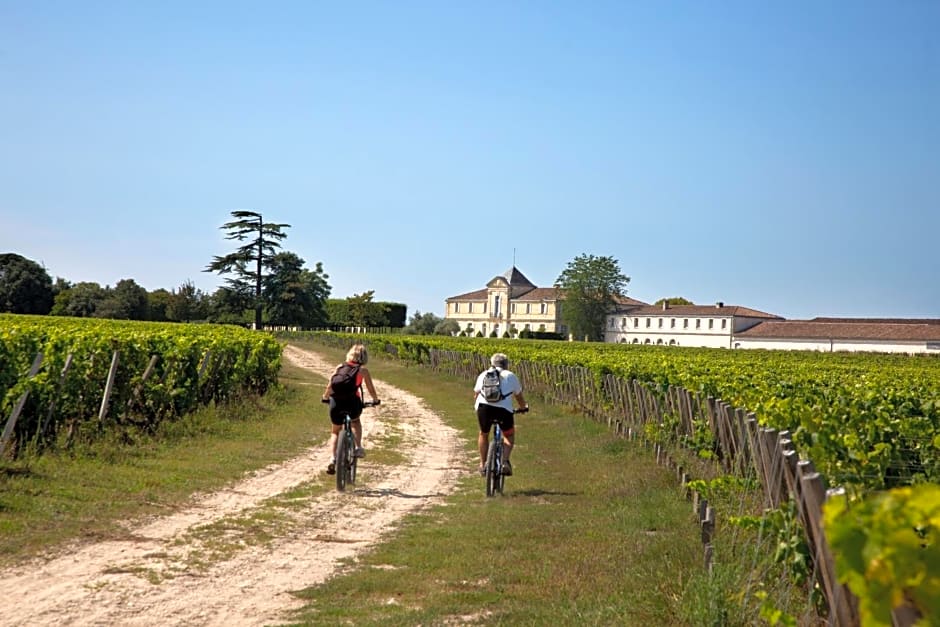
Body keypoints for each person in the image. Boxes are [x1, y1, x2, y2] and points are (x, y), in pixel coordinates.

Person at [322, 343, 380, 475]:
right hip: (352, 403)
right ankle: (358, 447)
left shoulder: (340, 367)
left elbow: (330, 386)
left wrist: (325, 397)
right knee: (355, 422)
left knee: (335, 431)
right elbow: (370, 389)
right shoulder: (363, 371)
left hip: (336, 403)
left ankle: (333, 458)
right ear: (364, 357)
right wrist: (375, 400)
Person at [473, 352, 528, 476]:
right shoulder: (511, 376)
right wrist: (523, 407)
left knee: (483, 433)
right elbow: (519, 397)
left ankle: (483, 465)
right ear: (506, 364)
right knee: (508, 436)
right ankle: (504, 462)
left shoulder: (484, 374)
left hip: (484, 408)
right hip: (503, 411)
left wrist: (476, 407)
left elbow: (476, 394)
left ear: (492, 364)